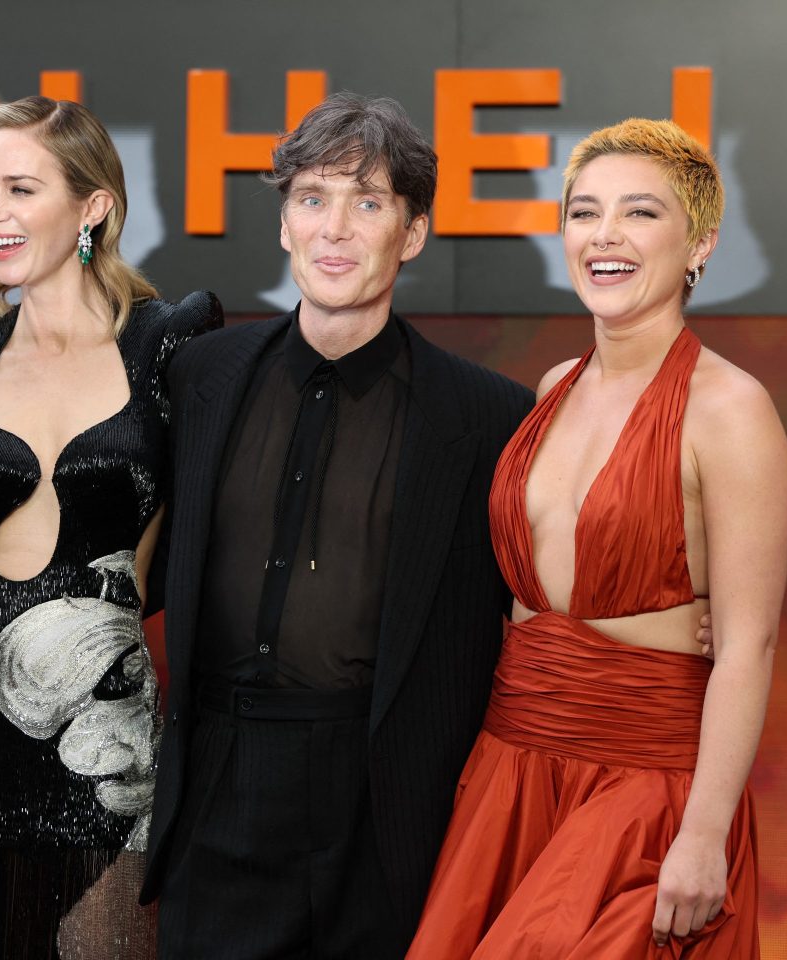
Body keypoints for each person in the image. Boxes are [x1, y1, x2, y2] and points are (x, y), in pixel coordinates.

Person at [139, 92, 534, 957]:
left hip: (385, 799)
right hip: (216, 776)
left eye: (369, 202)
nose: (335, 230)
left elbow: (538, 603)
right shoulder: (201, 376)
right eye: (313, 198)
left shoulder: (489, 417)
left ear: (414, 232)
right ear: (283, 223)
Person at [407, 119, 787, 957]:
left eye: (640, 214)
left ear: (701, 244)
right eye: (585, 212)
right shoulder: (552, 388)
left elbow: (748, 646)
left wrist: (704, 833)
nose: (605, 234)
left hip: (646, 792)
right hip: (509, 775)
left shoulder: (731, 411)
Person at [0, 95, 220, 960]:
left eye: (21, 189)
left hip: (101, 742)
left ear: (93, 206)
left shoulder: (169, 344)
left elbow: (187, 539)